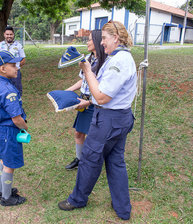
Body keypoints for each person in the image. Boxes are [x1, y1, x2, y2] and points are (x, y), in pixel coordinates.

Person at [58, 21, 137, 220]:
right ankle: (122, 208)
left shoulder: (119, 61)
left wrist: (87, 70)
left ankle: (77, 199)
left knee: (89, 160)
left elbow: (101, 97)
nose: (101, 43)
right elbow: (100, 90)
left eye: (103, 38)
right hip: (119, 118)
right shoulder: (118, 57)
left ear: (116, 38)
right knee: (115, 161)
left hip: (109, 120)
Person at [0, 50, 28, 206]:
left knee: (3, 160)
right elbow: (16, 118)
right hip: (8, 131)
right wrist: (25, 128)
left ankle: (0, 191)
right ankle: (7, 198)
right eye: (13, 65)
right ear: (3, 69)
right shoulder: (8, 91)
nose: (17, 68)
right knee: (10, 165)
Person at [65, 30, 107, 170]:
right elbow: (82, 80)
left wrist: (89, 102)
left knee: (94, 137)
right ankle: (80, 159)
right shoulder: (88, 58)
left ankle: (94, 163)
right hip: (83, 103)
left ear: (97, 41)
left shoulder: (105, 62)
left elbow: (102, 91)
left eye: (89, 40)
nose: (87, 42)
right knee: (78, 132)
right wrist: (68, 90)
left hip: (95, 104)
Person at [0, 26, 26, 95]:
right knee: (4, 92)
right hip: (4, 73)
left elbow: (23, 59)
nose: (9, 36)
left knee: (17, 91)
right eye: (7, 34)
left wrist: (15, 67)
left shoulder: (18, 45)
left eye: (11, 34)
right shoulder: (0, 45)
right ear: (4, 34)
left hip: (15, 73)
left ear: (13, 35)